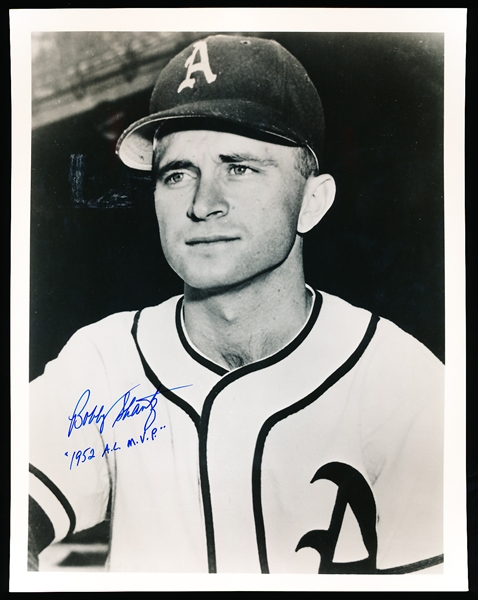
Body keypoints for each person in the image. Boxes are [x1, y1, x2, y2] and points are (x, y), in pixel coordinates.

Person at [28, 34, 444, 574]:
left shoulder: (403, 381)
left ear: (312, 202)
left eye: (240, 167)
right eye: (177, 174)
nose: (203, 204)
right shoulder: (104, 361)